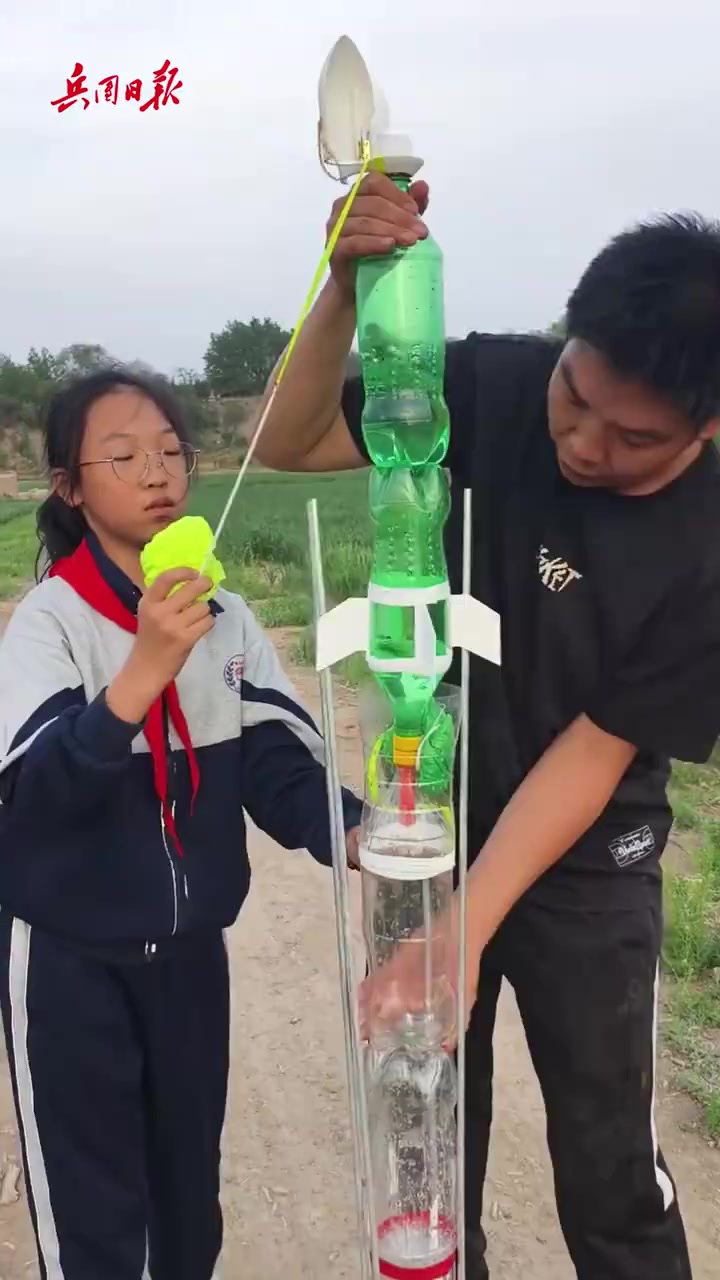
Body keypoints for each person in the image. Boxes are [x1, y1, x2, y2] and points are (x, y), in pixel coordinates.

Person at [252, 171, 720, 1280]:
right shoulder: (493, 383)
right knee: (425, 1142)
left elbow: (597, 751)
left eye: (632, 437)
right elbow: (289, 439)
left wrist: (459, 936)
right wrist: (341, 286)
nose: (584, 443)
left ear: (706, 425)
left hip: (586, 863)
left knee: (608, 1168)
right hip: (431, 821)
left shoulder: (708, 547)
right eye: (575, 396)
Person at [0, 368, 361, 1280]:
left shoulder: (225, 617)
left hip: (192, 960)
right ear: (70, 488)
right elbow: (34, 802)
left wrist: (358, 833)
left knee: (188, 1205)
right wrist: (142, 672)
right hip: (71, 964)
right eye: (122, 457)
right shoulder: (50, 622)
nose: (157, 473)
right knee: (97, 1222)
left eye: (170, 451)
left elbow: (277, 765)